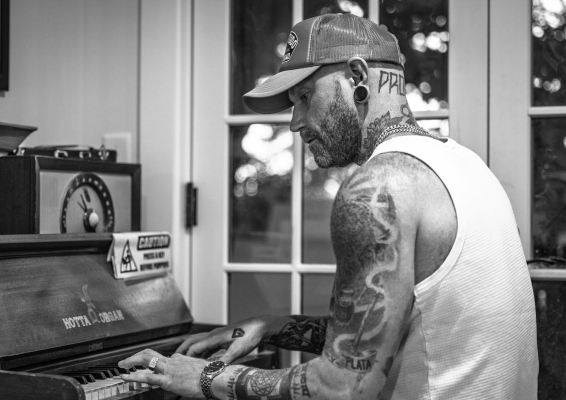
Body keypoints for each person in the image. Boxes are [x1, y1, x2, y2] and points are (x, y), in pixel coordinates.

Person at [118, 13, 538, 399]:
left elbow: (341, 388)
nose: (295, 122)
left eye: (305, 96)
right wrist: (275, 326)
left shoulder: (380, 187)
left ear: (358, 75)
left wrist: (204, 377)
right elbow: (384, 334)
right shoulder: (466, 165)